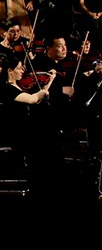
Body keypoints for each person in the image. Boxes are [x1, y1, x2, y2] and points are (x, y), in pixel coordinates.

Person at [0, 55, 58, 200]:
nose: (22, 71)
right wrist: (43, 92)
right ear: (9, 71)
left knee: (48, 135)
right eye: (19, 68)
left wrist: (49, 82)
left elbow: (37, 99)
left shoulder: (16, 86)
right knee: (43, 141)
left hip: (23, 130)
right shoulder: (6, 88)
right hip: (14, 133)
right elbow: (33, 99)